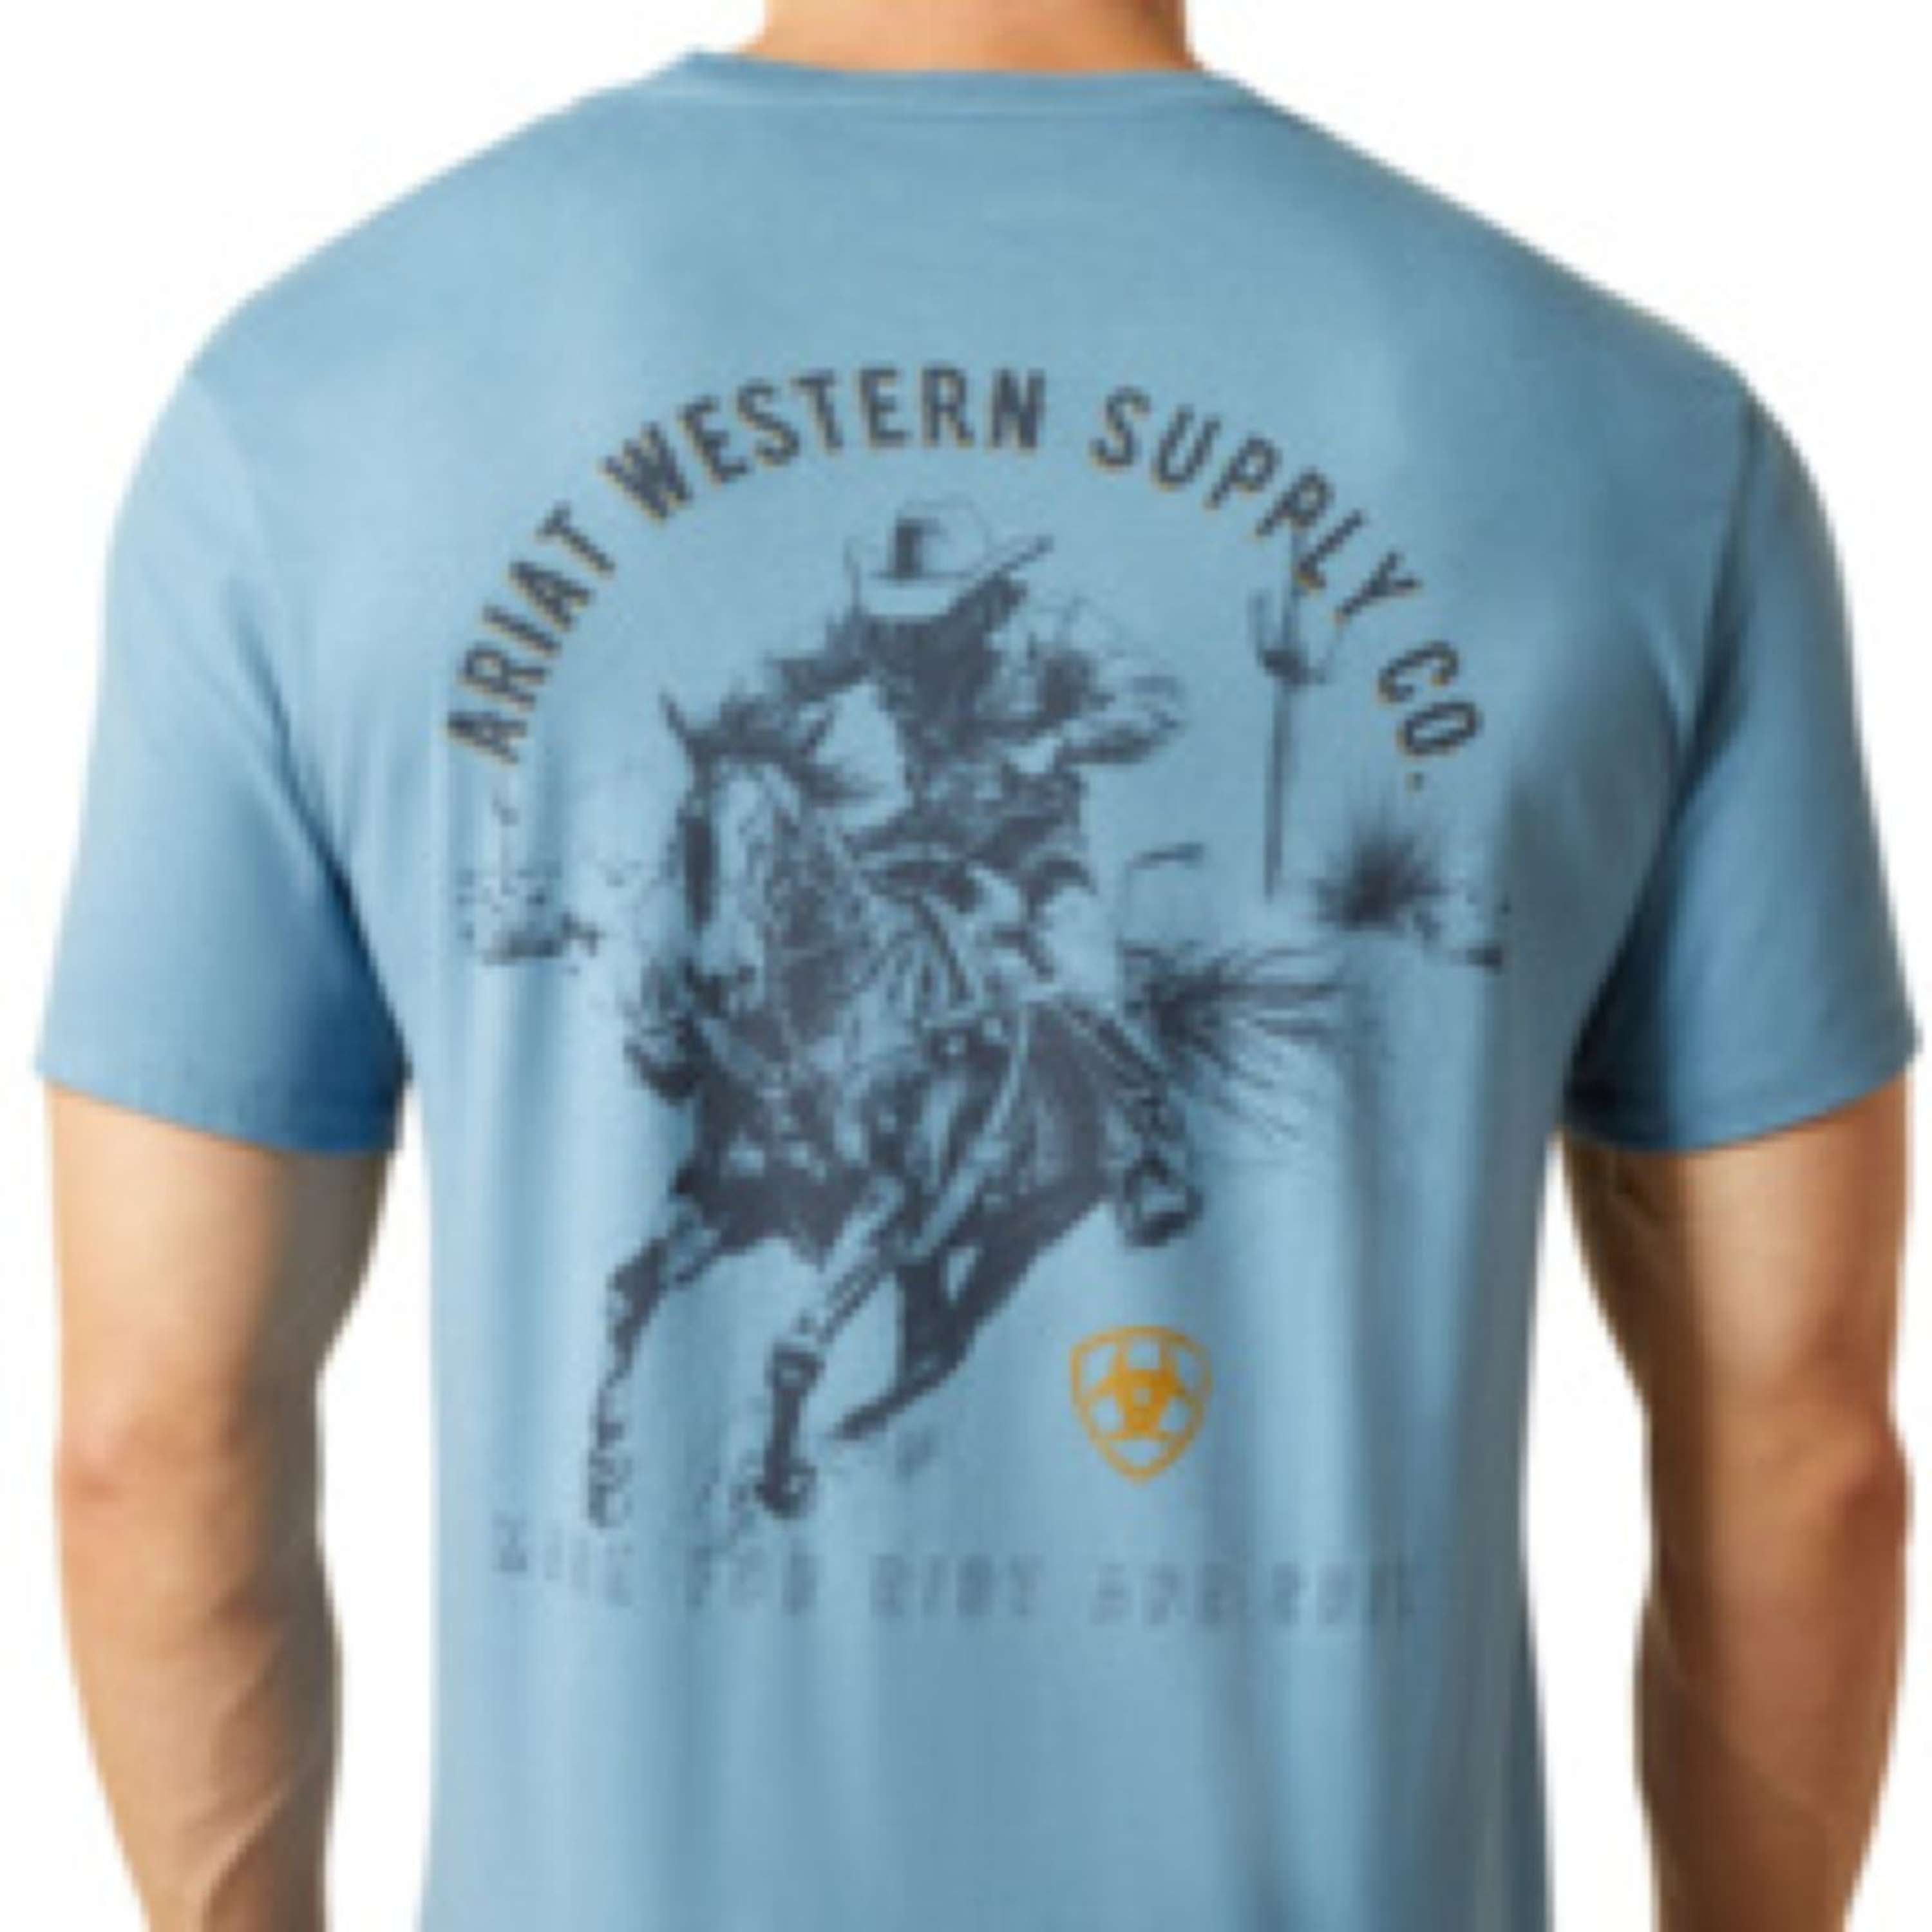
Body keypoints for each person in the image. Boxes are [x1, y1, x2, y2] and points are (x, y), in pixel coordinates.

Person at [38, 3, 1914, 1931]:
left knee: (1061, 978)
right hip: (903, 886)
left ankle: (1143, 1150)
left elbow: (152, 1444)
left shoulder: (310, 410)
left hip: (1026, 876)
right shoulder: (1647, 447)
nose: (916, 624)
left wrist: (1029, 748)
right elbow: (1805, 1453)